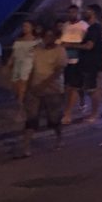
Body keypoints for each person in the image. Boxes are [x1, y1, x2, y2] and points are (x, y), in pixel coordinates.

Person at [17, 25, 68, 158]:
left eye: (51, 36)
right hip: (34, 90)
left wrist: (43, 85)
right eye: (46, 36)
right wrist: (26, 89)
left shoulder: (60, 51)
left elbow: (58, 71)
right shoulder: (36, 50)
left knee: (54, 119)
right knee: (31, 119)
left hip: (53, 90)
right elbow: (30, 70)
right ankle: (26, 147)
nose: (48, 38)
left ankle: (59, 138)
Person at [61, 4, 91, 123]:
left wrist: (71, 45)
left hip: (78, 59)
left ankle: (69, 112)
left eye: (74, 12)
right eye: (69, 12)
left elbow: (86, 43)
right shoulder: (66, 25)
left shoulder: (84, 26)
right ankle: (69, 106)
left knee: (74, 86)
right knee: (67, 86)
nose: (71, 14)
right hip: (65, 59)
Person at [11, 18, 40, 104]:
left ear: (32, 28)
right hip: (17, 64)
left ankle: (21, 107)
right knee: (16, 86)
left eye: (27, 26)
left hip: (28, 65)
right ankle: (21, 102)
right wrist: (9, 63)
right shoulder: (18, 40)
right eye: (23, 26)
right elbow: (14, 53)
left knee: (23, 86)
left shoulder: (36, 41)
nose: (25, 28)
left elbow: (39, 55)